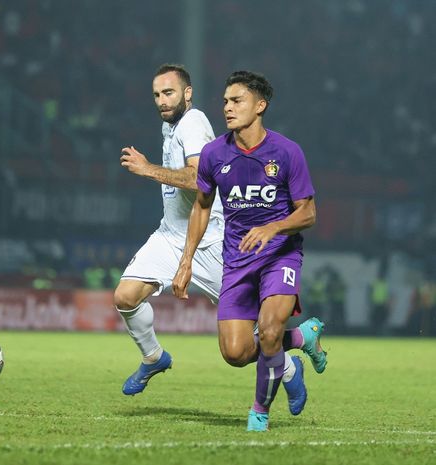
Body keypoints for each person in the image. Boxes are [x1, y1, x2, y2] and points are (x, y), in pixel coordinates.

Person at [172, 71, 326, 431]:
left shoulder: (287, 152)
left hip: (280, 256)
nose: (227, 107)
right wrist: (186, 260)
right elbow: (202, 205)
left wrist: (272, 227)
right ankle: (302, 339)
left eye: (236, 100)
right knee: (236, 353)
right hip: (238, 262)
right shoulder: (213, 154)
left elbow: (309, 212)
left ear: (260, 106)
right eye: (225, 101)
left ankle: (259, 412)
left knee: (270, 331)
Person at [115, 64, 225, 395]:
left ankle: (291, 363)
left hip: (210, 242)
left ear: (187, 94)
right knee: (125, 296)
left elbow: (198, 178)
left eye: (169, 93)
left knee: (247, 341)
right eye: (157, 95)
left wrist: (148, 169)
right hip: (169, 236)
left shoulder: (193, 123)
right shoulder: (172, 126)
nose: (162, 101)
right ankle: (153, 357)